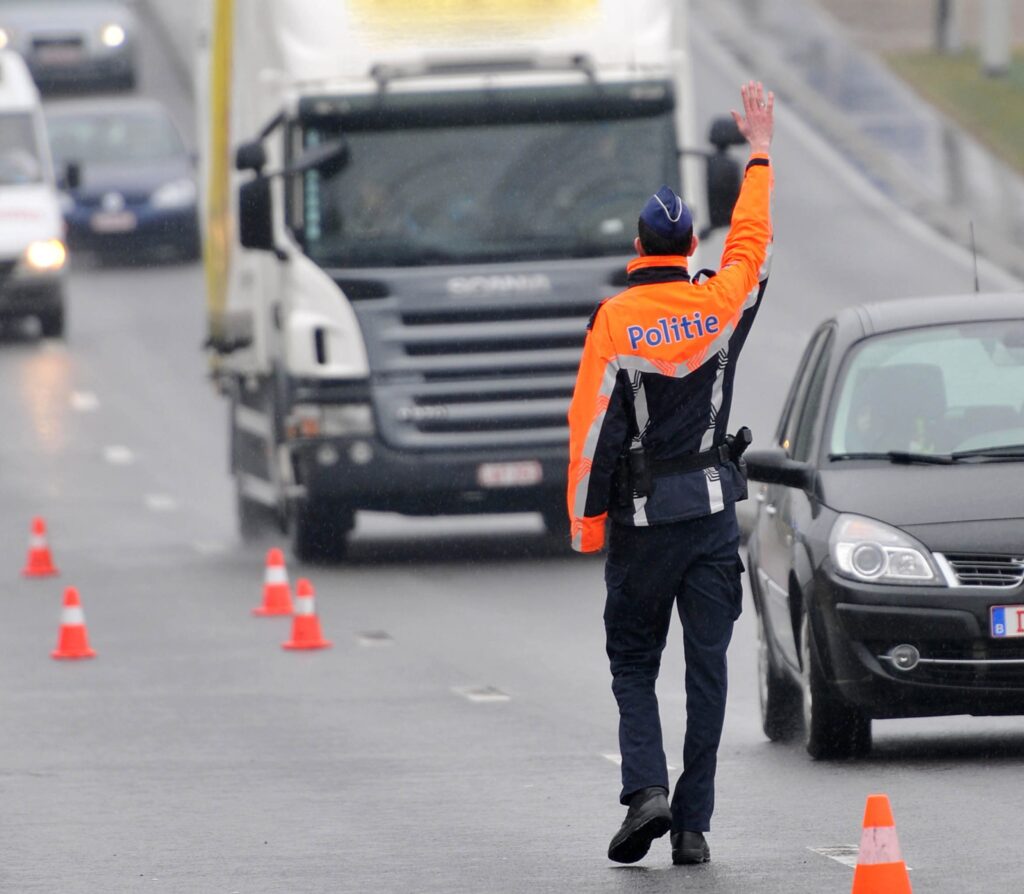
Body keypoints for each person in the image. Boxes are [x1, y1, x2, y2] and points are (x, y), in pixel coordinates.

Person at [566, 81, 774, 866]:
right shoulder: (721, 301)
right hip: (714, 518)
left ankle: (644, 790)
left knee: (632, 662)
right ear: (688, 249)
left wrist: (588, 523)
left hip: (644, 524)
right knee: (708, 673)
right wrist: (759, 153)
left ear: (639, 245)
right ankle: (692, 825)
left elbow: (591, 432)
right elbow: (752, 243)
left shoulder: (615, 321)